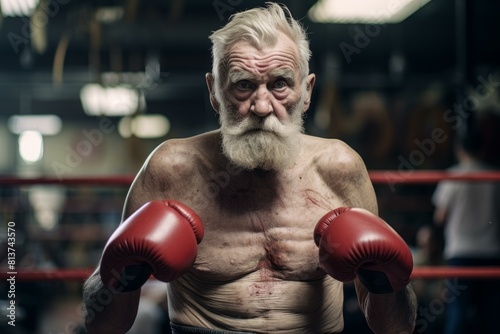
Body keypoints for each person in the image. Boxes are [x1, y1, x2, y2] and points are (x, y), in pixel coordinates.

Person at [82, 4, 417, 333]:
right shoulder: (172, 170)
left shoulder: (339, 169)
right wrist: (121, 273)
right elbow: (104, 324)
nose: (260, 106)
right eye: (243, 85)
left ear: (307, 92)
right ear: (214, 91)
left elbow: (396, 327)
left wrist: (383, 277)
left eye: (280, 84)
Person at [432, 123, 500, 334]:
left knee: (458, 313)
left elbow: (440, 217)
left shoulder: (452, 176)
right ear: (482, 148)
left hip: (460, 253)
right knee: (493, 315)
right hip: (491, 253)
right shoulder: (495, 176)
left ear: (459, 149)